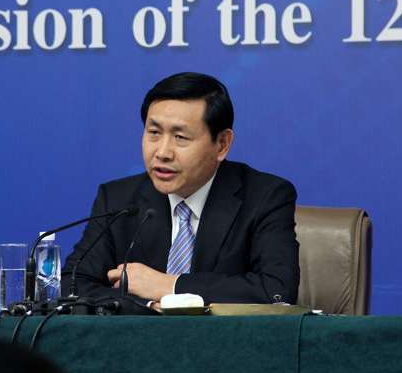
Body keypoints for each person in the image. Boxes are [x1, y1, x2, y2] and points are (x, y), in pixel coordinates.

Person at [60, 72, 299, 309]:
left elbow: (277, 290)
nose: (162, 152)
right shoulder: (118, 200)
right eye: (154, 133)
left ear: (222, 144)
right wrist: (149, 306)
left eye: (181, 137)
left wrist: (170, 286)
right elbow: (73, 285)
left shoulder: (265, 197)